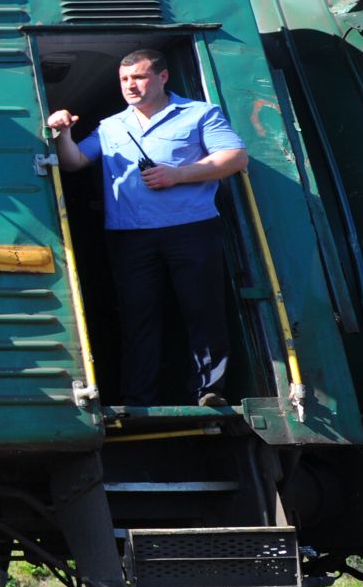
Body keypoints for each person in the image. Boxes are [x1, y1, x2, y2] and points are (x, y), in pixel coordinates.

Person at [45, 49, 248, 407]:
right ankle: (138, 397)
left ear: (162, 77)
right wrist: (63, 133)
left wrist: (178, 175)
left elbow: (235, 157)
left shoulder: (199, 113)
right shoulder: (111, 126)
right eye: (124, 80)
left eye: (138, 77)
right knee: (138, 317)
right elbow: (74, 162)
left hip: (191, 229)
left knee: (202, 311)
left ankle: (209, 391)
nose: (130, 86)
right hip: (129, 235)